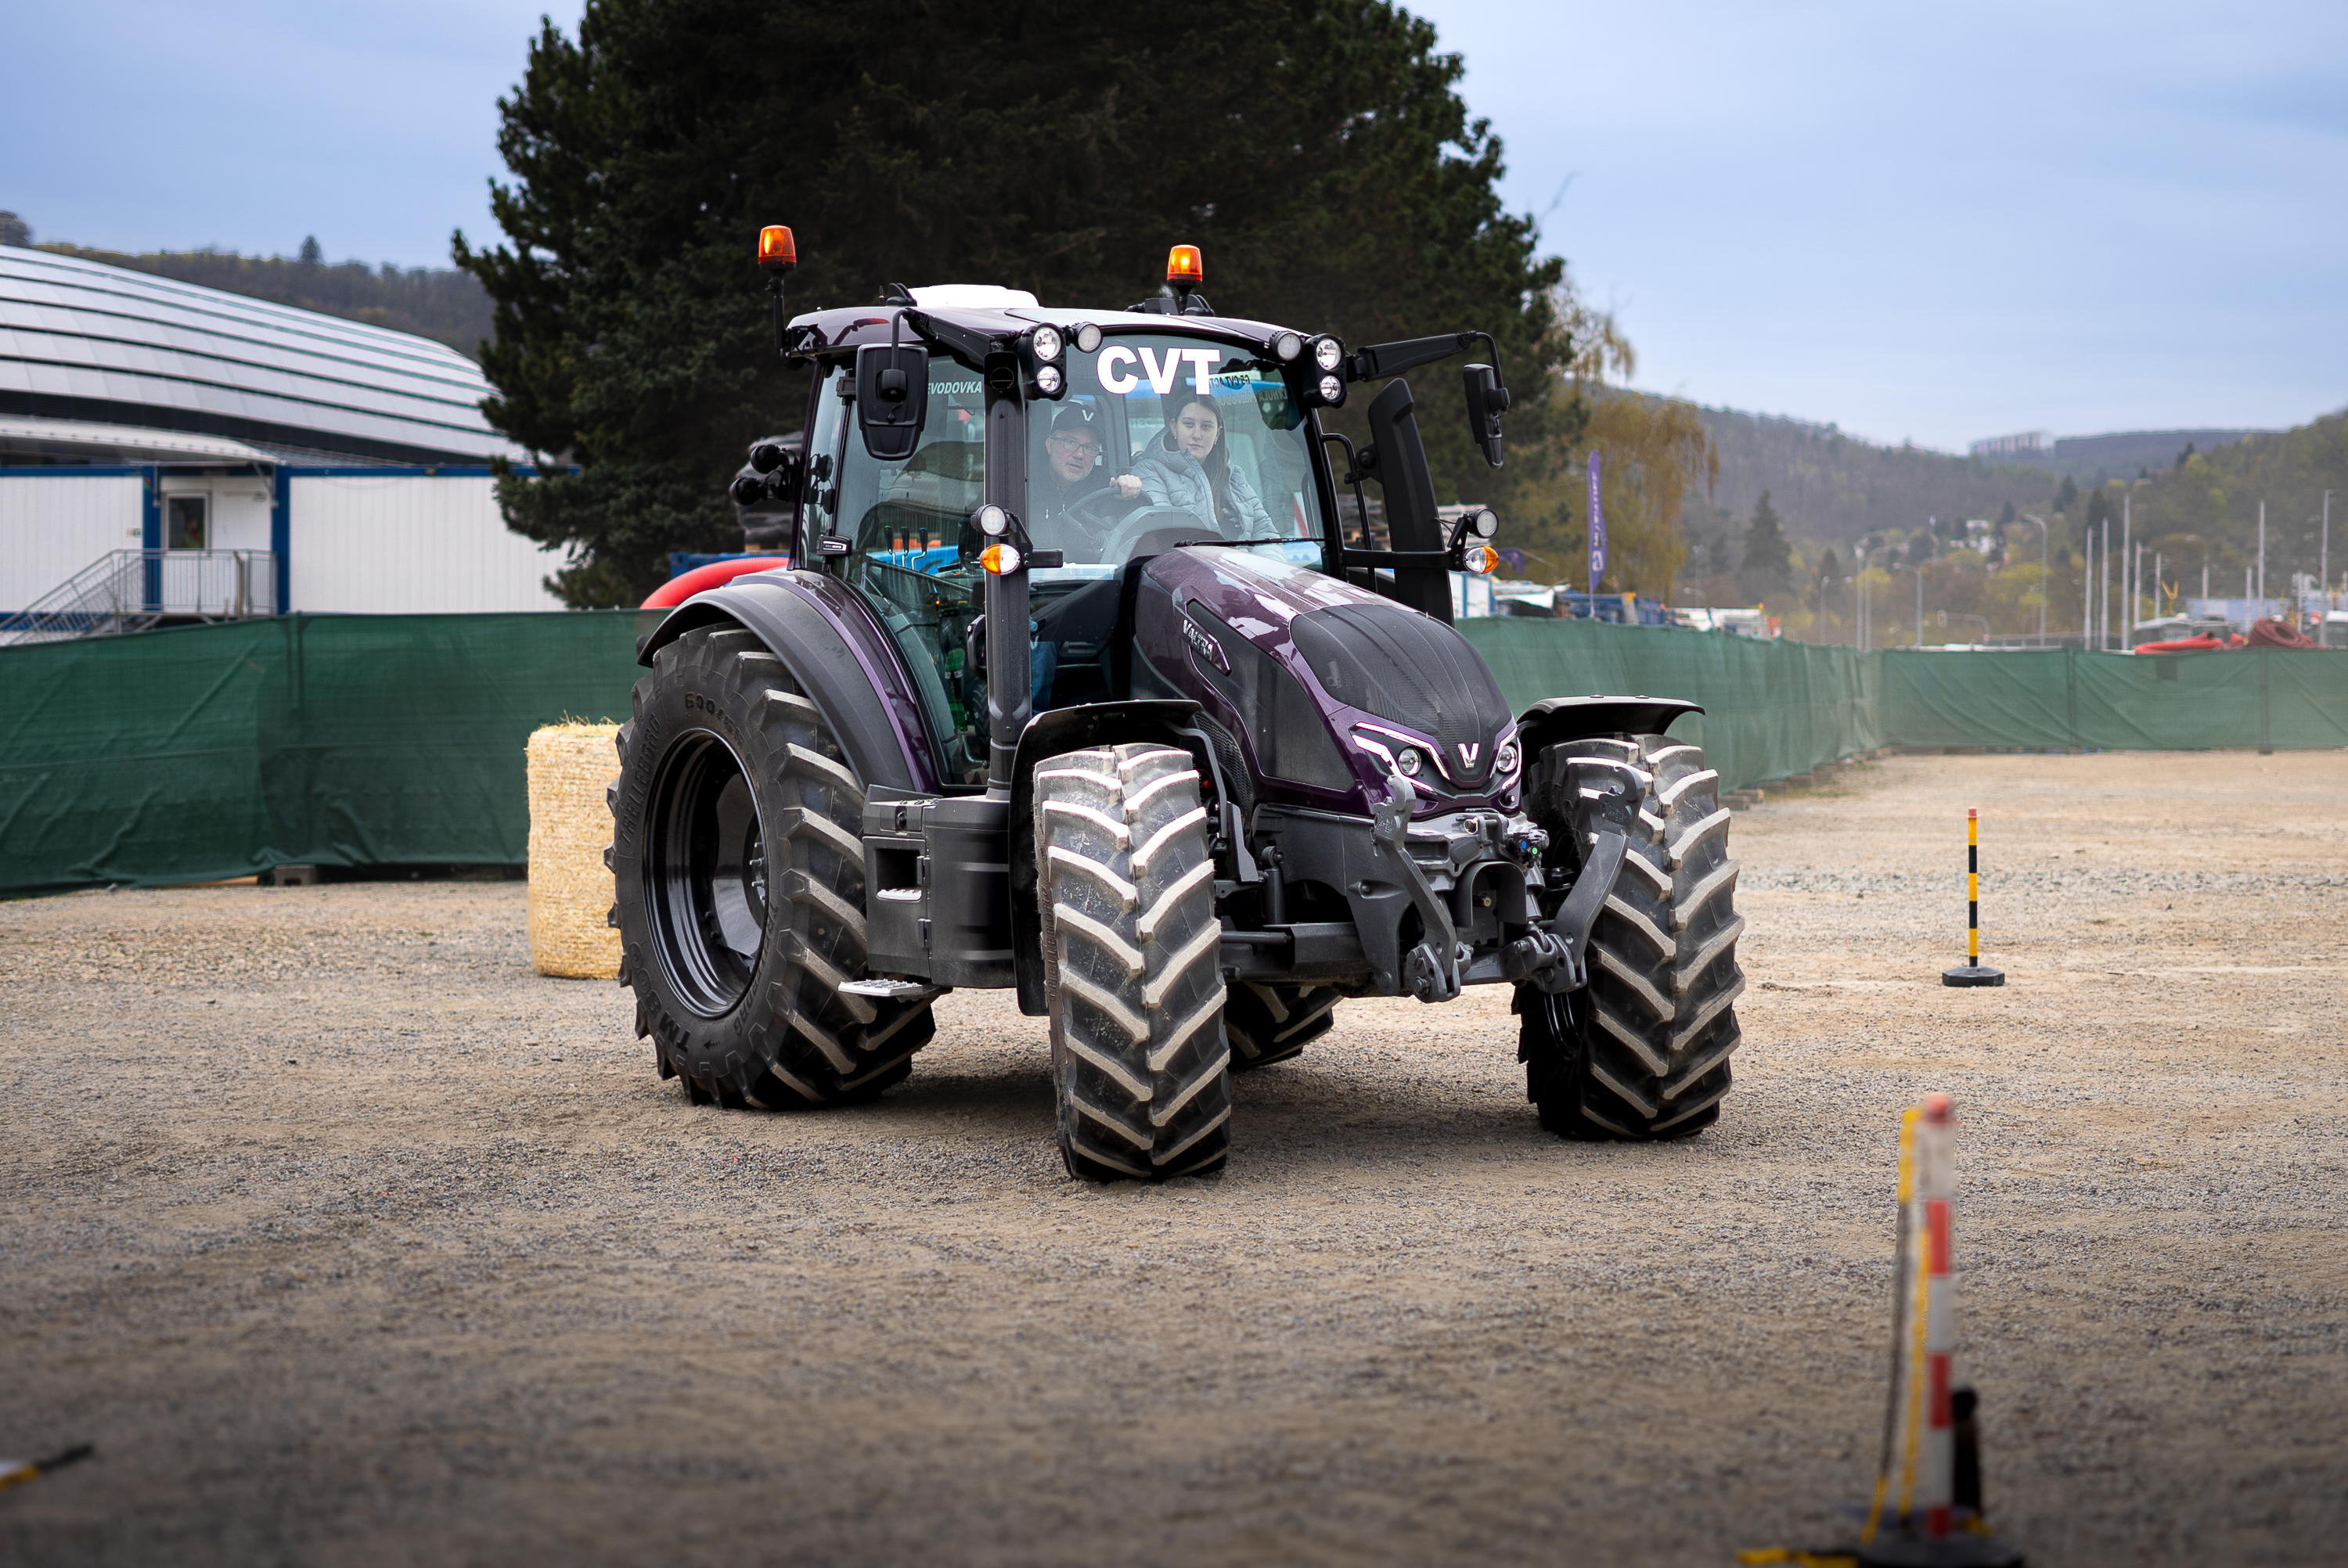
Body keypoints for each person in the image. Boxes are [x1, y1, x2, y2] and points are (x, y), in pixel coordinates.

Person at [1131, 394, 1274, 536]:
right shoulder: (1150, 471)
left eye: (1206, 426)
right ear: (1174, 428)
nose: (1197, 435)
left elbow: (1267, 533)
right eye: (1189, 424)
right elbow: (1165, 536)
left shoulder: (1234, 476)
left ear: (1217, 434)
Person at [1028, 404, 1141, 550]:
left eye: (1089, 447)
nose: (1079, 454)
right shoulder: (1023, 484)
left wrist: (1127, 497)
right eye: (1071, 442)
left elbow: (1122, 539)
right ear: (1050, 445)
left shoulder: (1102, 486)